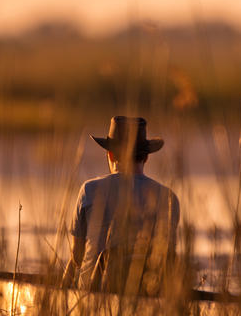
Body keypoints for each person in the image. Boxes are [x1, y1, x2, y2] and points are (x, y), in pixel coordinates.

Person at [62, 116, 180, 296]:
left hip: (94, 294)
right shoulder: (169, 198)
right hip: (149, 292)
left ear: (110, 154)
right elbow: (168, 258)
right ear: (146, 157)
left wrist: (61, 288)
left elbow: (77, 257)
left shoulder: (89, 190)